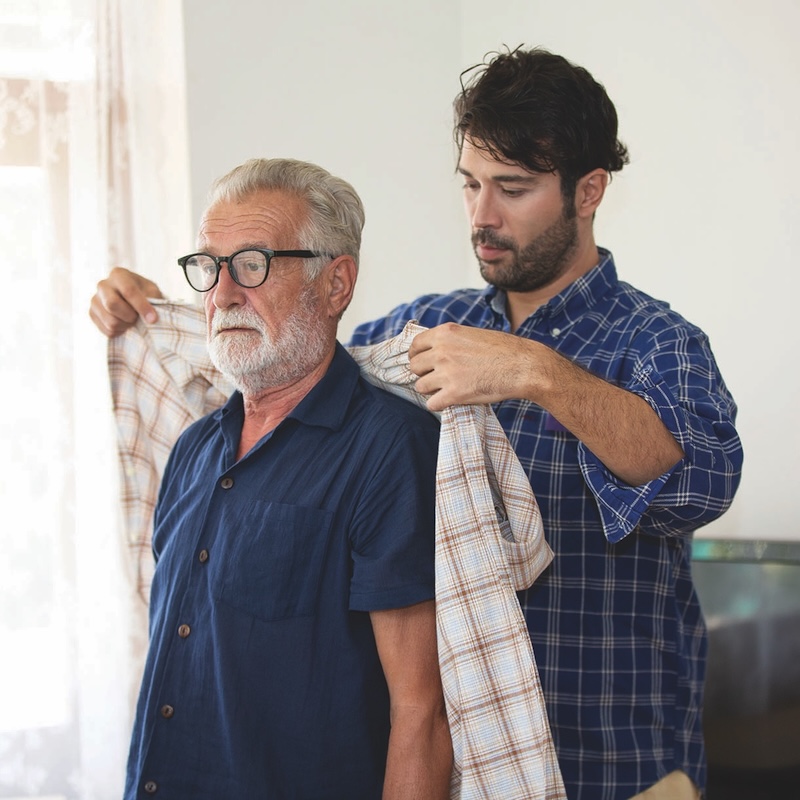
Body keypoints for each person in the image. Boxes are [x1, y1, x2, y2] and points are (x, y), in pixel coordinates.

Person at [90, 48, 744, 800]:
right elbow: (298, 362)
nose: (482, 215)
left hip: (610, 766)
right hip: (467, 772)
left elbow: (699, 476)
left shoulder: (658, 343)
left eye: (513, 189)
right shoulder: (428, 328)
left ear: (588, 191)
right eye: (470, 184)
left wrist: (535, 371)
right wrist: (152, 313)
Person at [113, 157, 452, 799]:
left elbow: (422, 712)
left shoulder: (391, 451)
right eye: (209, 267)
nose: (222, 294)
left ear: (336, 284)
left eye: (252, 264)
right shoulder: (192, 448)